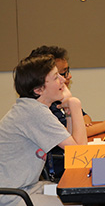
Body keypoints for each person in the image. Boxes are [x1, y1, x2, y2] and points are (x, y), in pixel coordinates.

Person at [0, 55, 87, 206]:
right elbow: (80, 154)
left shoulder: (31, 108)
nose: (63, 80)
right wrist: (74, 103)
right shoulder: (34, 113)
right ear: (39, 89)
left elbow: (73, 146)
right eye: (55, 77)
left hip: (28, 187)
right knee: (80, 200)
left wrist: (68, 112)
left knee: (78, 197)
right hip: (12, 195)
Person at [29, 45, 105, 180]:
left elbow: (82, 120)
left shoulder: (54, 101)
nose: (66, 78)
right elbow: (78, 149)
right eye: (58, 75)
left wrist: (79, 119)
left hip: (66, 164)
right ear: (39, 85)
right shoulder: (39, 112)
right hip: (57, 170)